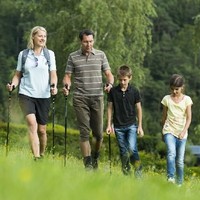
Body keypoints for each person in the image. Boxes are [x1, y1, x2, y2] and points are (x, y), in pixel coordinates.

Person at [63, 29, 114, 170]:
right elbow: (67, 75)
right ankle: (88, 165)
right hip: (80, 98)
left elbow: (109, 74)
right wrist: (66, 85)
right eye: (85, 41)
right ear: (81, 41)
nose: (88, 44)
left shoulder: (100, 55)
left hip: (97, 98)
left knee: (98, 134)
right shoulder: (73, 57)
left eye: (91, 41)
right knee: (84, 132)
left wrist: (109, 84)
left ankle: (95, 157)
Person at [6, 26, 58, 160]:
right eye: (40, 36)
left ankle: (42, 154)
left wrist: (54, 86)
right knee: (32, 124)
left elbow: (53, 74)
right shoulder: (23, 55)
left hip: (44, 95)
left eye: (45, 36)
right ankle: (36, 158)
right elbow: (18, 75)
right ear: (33, 37)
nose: (43, 38)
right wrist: (13, 85)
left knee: (42, 130)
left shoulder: (49, 54)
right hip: (26, 94)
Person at [106, 65, 144, 177]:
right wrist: (109, 125)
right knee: (123, 152)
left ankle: (138, 171)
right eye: (120, 80)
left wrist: (140, 126)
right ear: (118, 78)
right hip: (118, 127)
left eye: (125, 80)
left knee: (132, 149)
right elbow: (109, 108)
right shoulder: (113, 92)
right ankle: (126, 173)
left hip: (131, 125)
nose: (122, 82)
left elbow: (139, 108)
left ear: (130, 78)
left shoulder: (135, 91)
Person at [161, 74, 193, 186]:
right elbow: (164, 117)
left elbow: (189, 118)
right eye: (172, 89)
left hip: (181, 133)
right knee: (171, 153)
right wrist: (163, 131)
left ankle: (179, 184)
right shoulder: (166, 99)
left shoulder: (187, 100)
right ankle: (170, 177)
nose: (174, 91)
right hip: (169, 130)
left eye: (177, 89)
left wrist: (184, 131)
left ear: (182, 87)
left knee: (179, 161)